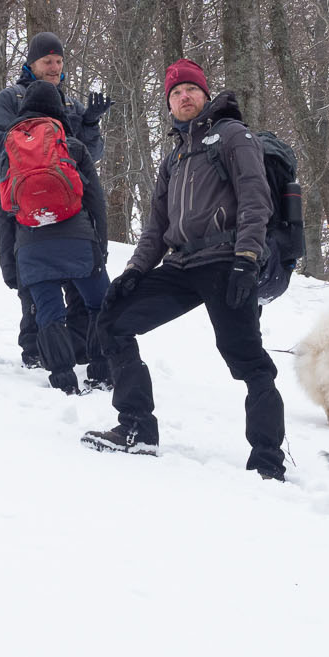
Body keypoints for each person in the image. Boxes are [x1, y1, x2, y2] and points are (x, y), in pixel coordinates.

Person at [82, 59, 287, 480]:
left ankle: (268, 461)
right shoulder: (174, 155)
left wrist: (247, 261)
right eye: (175, 93)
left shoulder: (232, 137)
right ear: (169, 105)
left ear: (205, 94)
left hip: (226, 263)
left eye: (190, 89)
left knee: (249, 361)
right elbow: (156, 225)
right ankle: (137, 428)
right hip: (180, 265)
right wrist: (135, 271)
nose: (184, 97)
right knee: (113, 322)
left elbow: (255, 202)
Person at [0, 32, 113, 382]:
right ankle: (36, 349)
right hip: (38, 209)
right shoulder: (9, 97)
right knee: (65, 291)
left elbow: (87, 153)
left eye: (59, 61)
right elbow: (2, 145)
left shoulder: (71, 103)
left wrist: (89, 123)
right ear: (31, 63)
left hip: (52, 211)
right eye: (47, 61)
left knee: (50, 291)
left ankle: (70, 354)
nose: (54, 67)